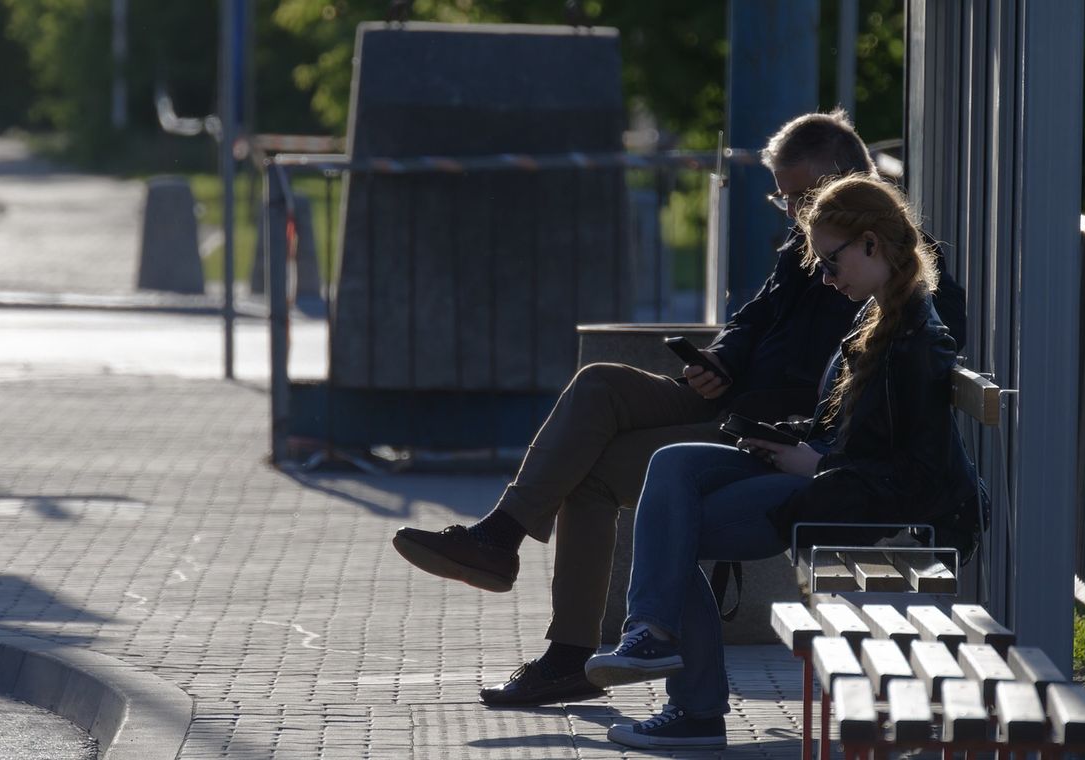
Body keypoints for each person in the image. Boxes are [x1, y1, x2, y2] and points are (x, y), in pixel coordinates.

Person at [391, 109, 966, 707]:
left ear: (851, 191)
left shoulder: (898, 269)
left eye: (805, 197)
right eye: (786, 201)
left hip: (768, 429)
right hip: (728, 400)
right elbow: (752, 319)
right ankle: (499, 537)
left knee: (591, 476)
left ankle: (568, 655)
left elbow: (906, 375)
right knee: (599, 382)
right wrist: (718, 360)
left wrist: (806, 445)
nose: (796, 217)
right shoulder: (812, 248)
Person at [582, 174, 984, 750]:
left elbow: (915, 479)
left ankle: (693, 706)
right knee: (673, 463)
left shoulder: (918, 339)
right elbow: (849, 430)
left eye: (831, 261)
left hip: (845, 496)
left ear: (871, 243)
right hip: (825, 471)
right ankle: (650, 633)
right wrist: (789, 439)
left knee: (677, 530)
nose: (824, 277)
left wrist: (812, 466)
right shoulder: (878, 316)